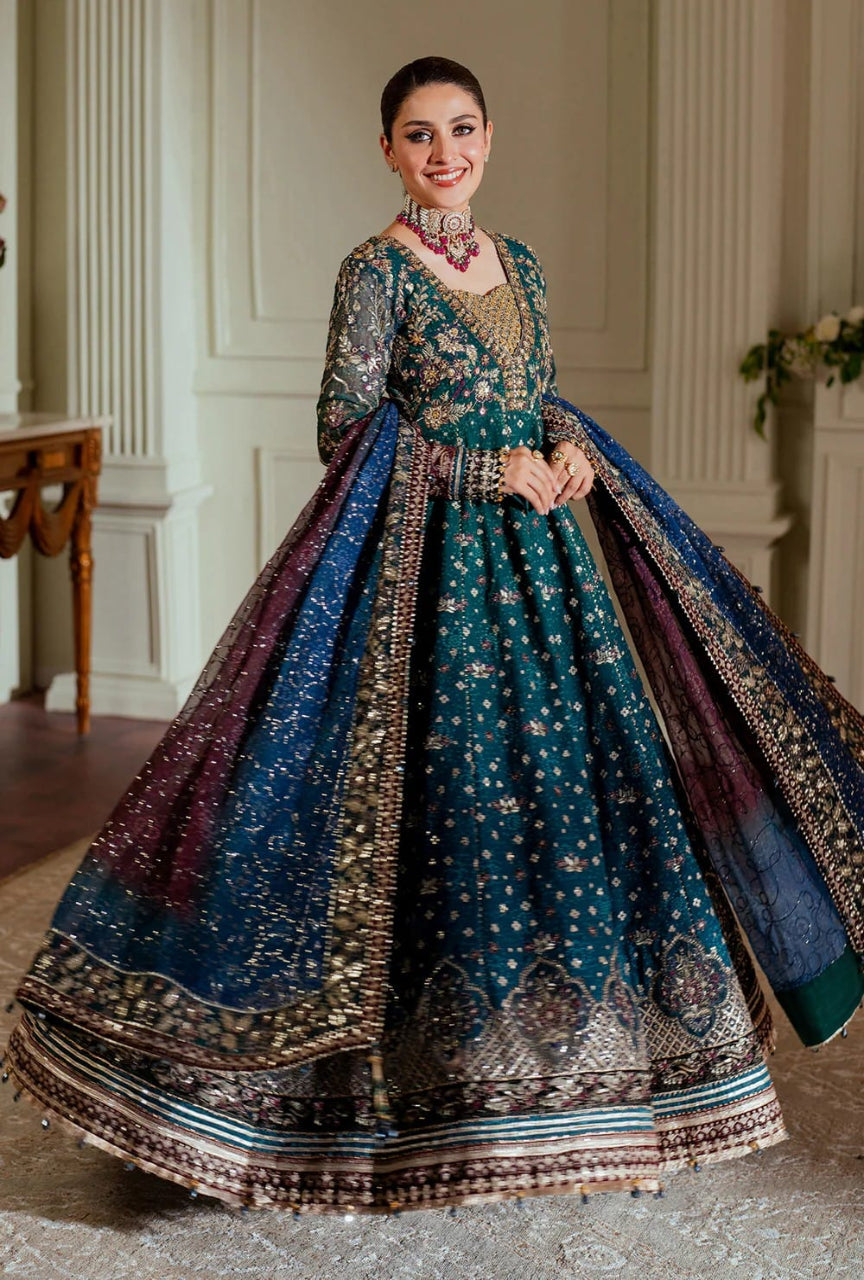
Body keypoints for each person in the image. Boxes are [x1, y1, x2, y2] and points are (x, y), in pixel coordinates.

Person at [3, 56, 863, 1219]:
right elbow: (342, 426)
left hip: (545, 572)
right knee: (451, 804)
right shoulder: (376, 271)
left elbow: (537, 388)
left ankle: (610, 1096)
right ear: (390, 151)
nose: (443, 152)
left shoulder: (523, 264)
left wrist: (565, 449)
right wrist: (477, 467)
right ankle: (442, 1103)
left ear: (490, 138)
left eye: (461, 129)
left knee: (580, 794)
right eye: (419, 134)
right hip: (430, 583)